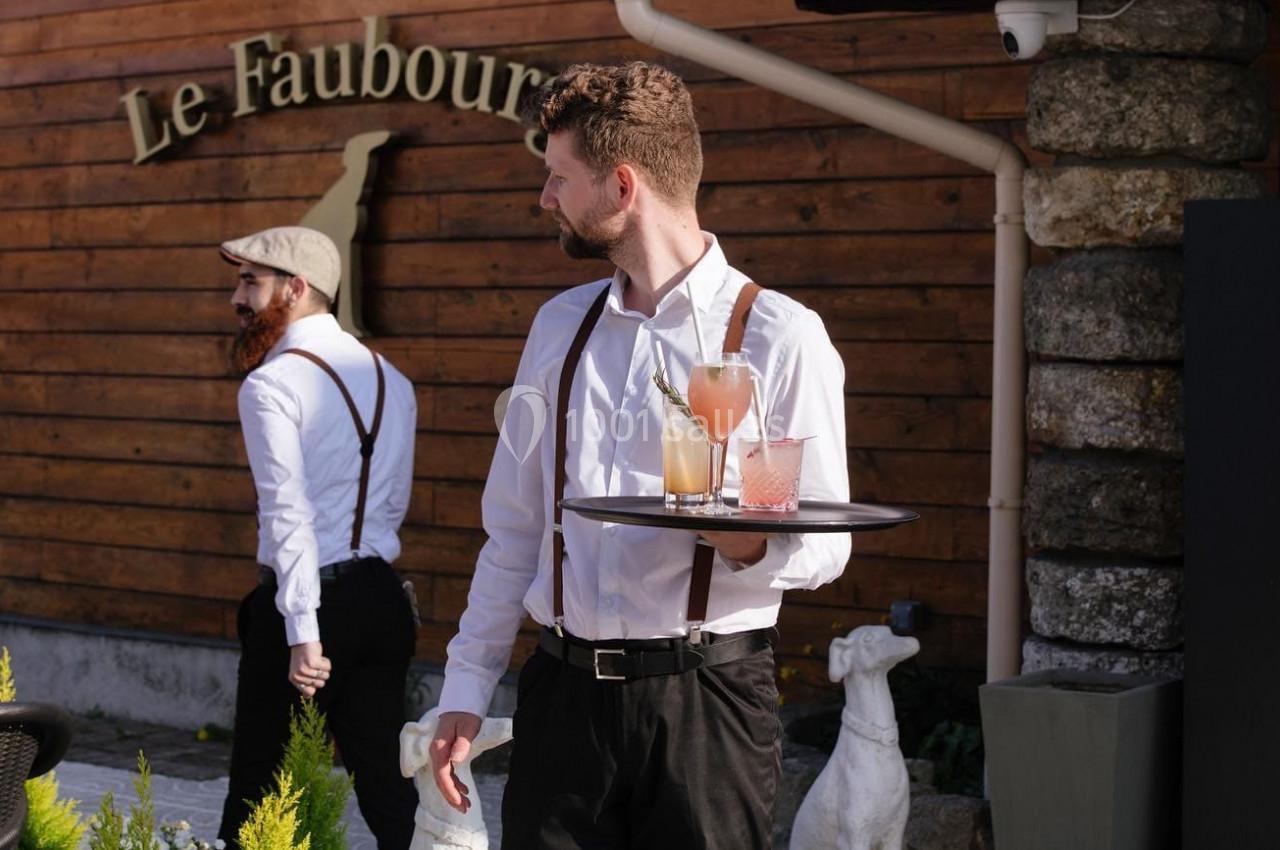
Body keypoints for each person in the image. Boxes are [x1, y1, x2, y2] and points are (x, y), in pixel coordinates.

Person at [430, 63, 851, 849]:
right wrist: (465, 687)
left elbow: (825, 542)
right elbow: (515, 529)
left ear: (623, 187)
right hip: (562, 700)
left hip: (708, 702)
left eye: (559, 177)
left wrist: (746, 541)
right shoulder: (558, 327)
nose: (545, 198)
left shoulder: (776, 336)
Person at [217, 225, 419, 850]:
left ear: (297, 289)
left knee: (260, 791)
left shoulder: (271, 385)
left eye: (251, 281)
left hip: (308, 610)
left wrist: (303, 632)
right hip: (382, 599)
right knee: (387, 785)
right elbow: (388, 506)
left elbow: (288, 514)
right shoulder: (394, 381)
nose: (236, 297)